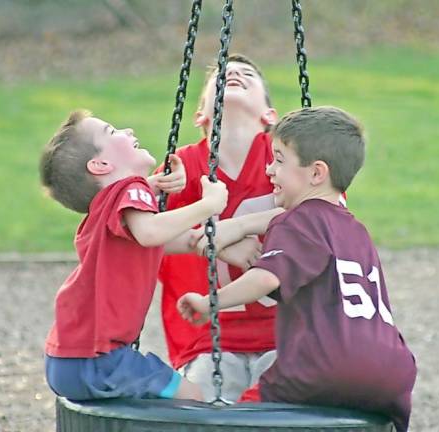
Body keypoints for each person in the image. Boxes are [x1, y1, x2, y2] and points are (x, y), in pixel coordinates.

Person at [178, 106, 417, 431]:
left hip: (327, 363)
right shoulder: (355, 229)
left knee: (237, 421)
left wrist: (210, 303)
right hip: (393, 370)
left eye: (278, 159)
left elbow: (265, 277)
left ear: (317, 173)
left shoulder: (298, 220)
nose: (269, 169)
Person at [39, 109, 228, 402]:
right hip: (99, 358)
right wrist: (209, 205)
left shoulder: (106, 207)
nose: (127, 130)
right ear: (100, 164)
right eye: (113, 132)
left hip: (67, 359)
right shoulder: (130, 190)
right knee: (192, 397)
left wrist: (155, 187)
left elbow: (162, 237)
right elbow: (150, 232)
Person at [156, 53, 280, 402]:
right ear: (201, 115)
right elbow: (146, 235)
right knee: (201, 410)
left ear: (269, 115)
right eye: (223, 75)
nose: (235, 73)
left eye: (248, 75)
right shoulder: (182, 168)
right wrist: (214, 241)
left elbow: (324, 214)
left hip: (288, 334)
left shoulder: (288, 158)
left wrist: (235, 228)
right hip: (208, 340)